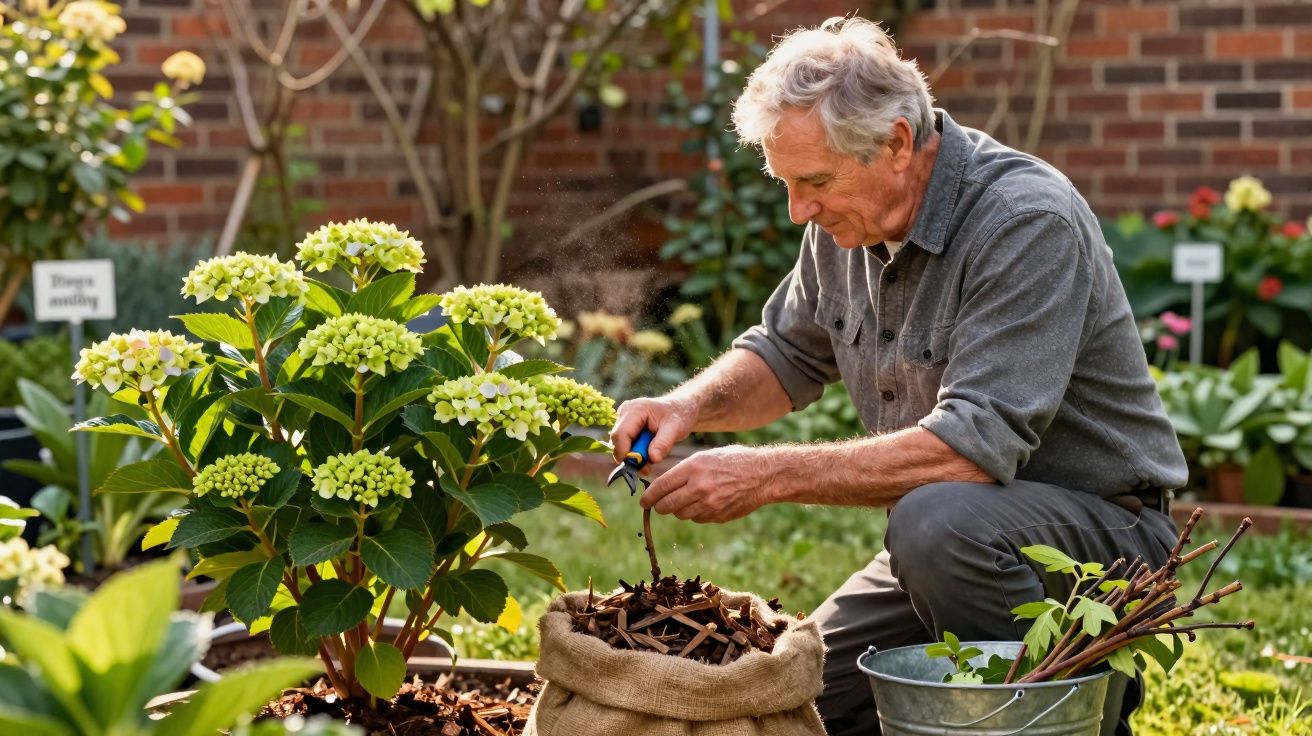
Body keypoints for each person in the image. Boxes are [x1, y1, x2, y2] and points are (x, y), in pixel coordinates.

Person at [608, 16, 1187, 736]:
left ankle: (1066, 714)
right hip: (951, 554)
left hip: (1096, 549)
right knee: (787, 701)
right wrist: (684, 405)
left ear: (897, 143)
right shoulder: (844, 226)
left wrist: (763, 476)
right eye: (788, 185)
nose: (800, 211)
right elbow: (786, 355)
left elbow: (968, 451)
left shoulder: (1023, 221)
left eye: (815, 182)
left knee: (935, 519)